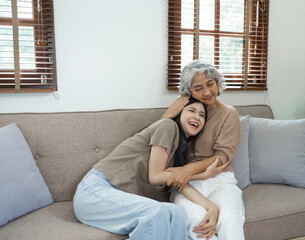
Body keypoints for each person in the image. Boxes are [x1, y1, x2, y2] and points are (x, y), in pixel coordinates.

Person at [73, 97, 223, 240]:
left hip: (118, 197)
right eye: (192, 111)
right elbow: (156, 176)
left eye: (202, 115)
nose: (197, 117)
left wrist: (212, 208)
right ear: (179, 112)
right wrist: (200, 175)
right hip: (95, 191)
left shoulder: (178, 151)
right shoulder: (168, 126)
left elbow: (179, 183)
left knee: (177, 213)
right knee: (157, 213)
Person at [162, 60, 246, 240]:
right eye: (198, 88)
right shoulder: (183, 112)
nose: (207, 92)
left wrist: (187, 169)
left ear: (217, 83)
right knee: (197, 221)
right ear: (188, 92)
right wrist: (168, 115)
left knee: (231, 219)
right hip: (186, 185)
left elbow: (222, 157)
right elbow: (153, 141)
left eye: (210, 84)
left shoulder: (228, 113)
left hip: (220, 180)